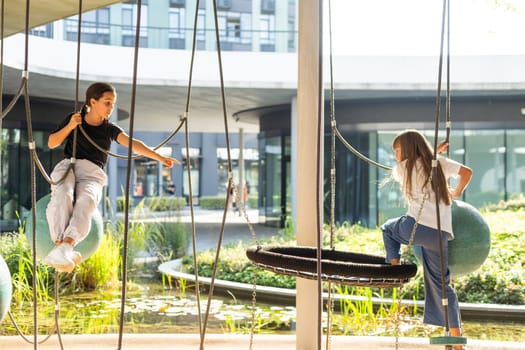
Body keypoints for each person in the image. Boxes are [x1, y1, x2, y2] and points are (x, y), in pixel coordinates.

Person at [43, 82, 181, 273]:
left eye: (113, 104)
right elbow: (52, 142)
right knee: (64, 194)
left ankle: (65, 247)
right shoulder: (75, 119)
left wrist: (159, 157)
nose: (111, 108)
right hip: (69, 166)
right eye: (107, 103)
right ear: (93, 101)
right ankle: (62, 246)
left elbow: (133, 143)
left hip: (92, 173)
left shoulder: (109, 128)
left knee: (87, 200)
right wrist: (70, 126)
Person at [381, 129, 472, 349]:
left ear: (408, 149)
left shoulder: (405, 168)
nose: (396, 156)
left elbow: (412, 165)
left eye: (398, 151)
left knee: (388, 229)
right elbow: (467, 172)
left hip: (416, 227)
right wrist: (456, 192)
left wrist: (433, 153)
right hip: (439, 233)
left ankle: (394, 267)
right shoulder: (439, 163)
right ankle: (456, 336)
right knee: (442, 285)